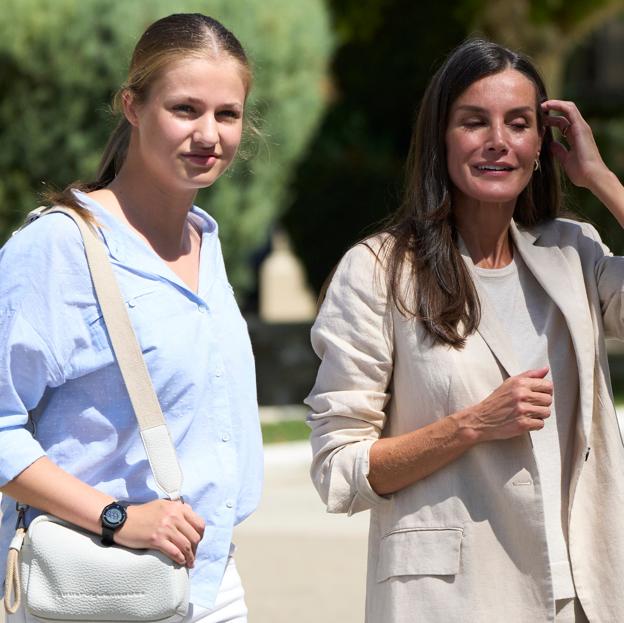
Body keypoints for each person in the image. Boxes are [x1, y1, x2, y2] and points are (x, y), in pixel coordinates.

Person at [306, 38, 624, 623]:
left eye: (519, 124)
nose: (498, 141)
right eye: (474, 121)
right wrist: (473, 424)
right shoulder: (378, 271)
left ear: (539, 145)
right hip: (452, 601)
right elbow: (338, 470)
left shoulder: (574, 254)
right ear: (441, 139)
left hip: (586, 599)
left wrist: (599, 177)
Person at [0, 12, 262, 623]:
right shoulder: (60, 248)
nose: (209, 133)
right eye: (185, 109)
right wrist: (118, 518)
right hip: (94, 584)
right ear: (133, 106)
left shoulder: (206, 241)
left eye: (227, 114)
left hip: (212, 584)